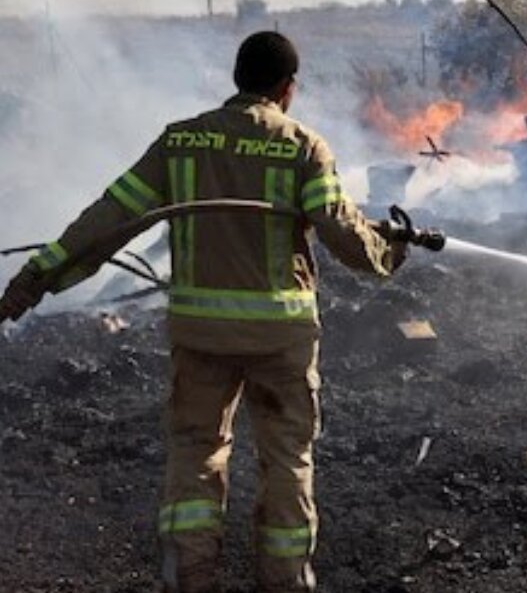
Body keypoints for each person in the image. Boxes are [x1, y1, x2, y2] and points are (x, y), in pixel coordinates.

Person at [0, 31, 405, 592]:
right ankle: (285, 580)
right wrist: (390, 249)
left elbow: (107, 220)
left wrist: (30, 283)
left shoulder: (180, 143)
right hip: (281, 336)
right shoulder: (303, 146)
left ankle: (189, 576)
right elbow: (345, 237)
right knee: (287, 458)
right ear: (288, 89)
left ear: (236, 79)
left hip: (201, 334)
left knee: (195, 451)